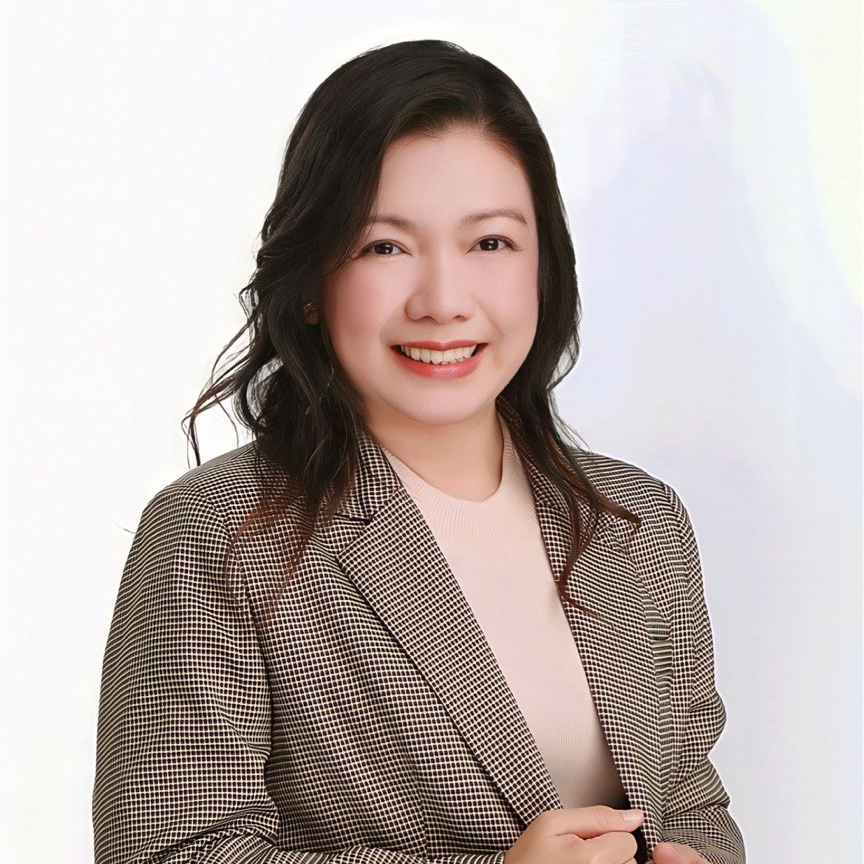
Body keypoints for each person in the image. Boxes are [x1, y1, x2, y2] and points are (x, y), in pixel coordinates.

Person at [92, 39, 745, 864]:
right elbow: (165, 852)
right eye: (385, 247)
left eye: (490, 243)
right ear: (312, 282)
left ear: (544, 269)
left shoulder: (638, 519)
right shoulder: (218, 533)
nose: (443, 301)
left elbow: (691, 799)